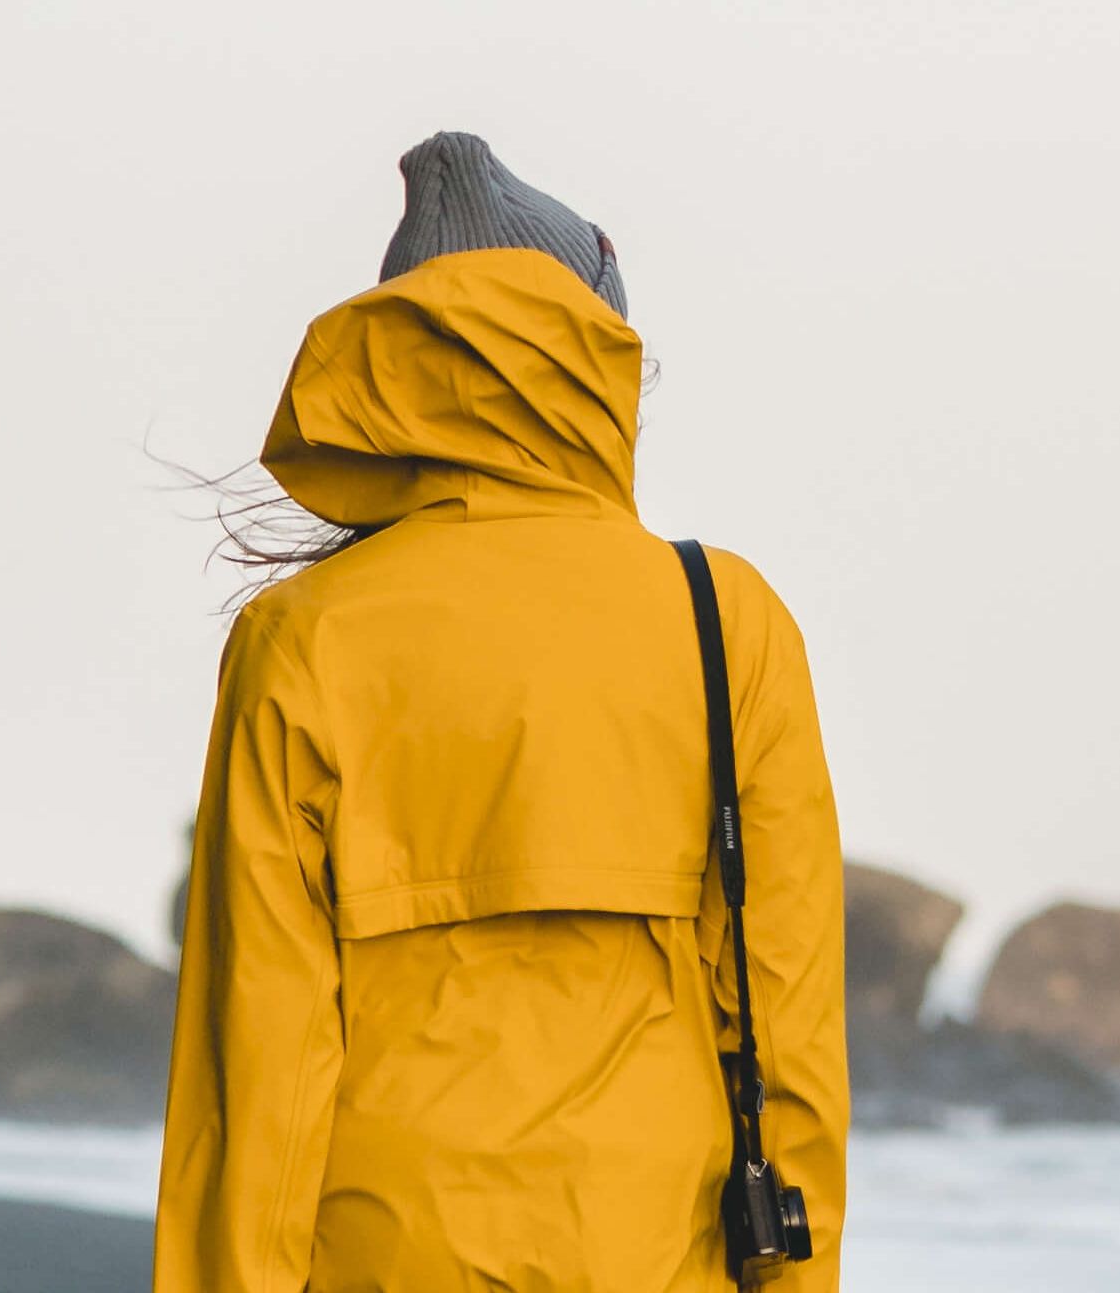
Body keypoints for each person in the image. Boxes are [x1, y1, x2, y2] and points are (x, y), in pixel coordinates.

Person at [154, 133, 847, 1292]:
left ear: (391, 367)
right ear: (597, 359)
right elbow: (789, 1037)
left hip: (378, 1255)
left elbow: (256, 1061)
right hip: (655, 1255)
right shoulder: (725, 619)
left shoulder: (302, 636)